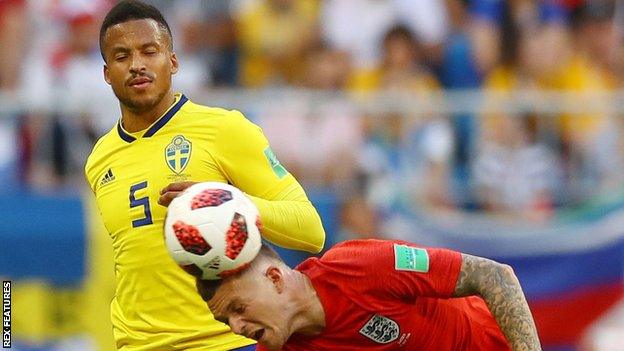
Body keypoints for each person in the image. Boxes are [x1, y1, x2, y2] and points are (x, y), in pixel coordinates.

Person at [84, 1, 325, 350]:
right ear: (107, 73)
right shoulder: (99, 158)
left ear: (173, 61)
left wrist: (227, 203)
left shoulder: (225, 129)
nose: (136, 65)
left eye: (149, 52)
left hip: (226, 342)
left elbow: (310, 230)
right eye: (122, 57)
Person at [198, 240, 542, 351]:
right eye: (225, 320)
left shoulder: (361, 267)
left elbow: (495, 275)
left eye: (237, 308)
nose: (236, 327)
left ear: (274, 278)